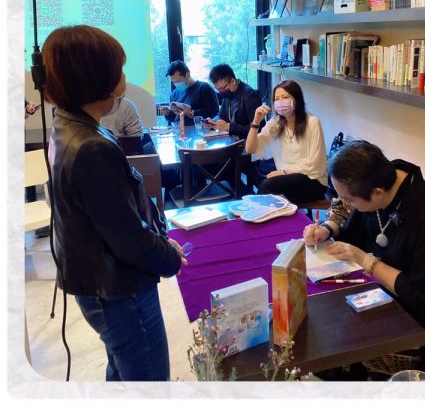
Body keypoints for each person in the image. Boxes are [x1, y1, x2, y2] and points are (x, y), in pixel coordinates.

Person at [41, 25, 187, 381]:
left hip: (99, 282)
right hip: (119, 289)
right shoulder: (90, 147)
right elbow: (128, 238)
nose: (124, 79)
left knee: (123, 373)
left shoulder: (69, 127)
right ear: (95, 79)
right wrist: (168, 256)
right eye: (118, 70)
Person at [301, 140, 425, 376]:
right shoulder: (381, 178)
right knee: (322, 328)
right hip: (384, 294)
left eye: (350, 200)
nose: (346, 204)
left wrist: (368, 262)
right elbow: (348, 213)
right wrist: (327, 228)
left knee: (333, 346)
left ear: (377, 193)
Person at [246, 79, 328, 204]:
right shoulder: (275, 124)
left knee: (269, 186)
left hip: (313, 181)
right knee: (270, 191)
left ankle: (253, 210)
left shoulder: (312, 122)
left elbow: (315, 164)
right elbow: (250, 149)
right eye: (276, 99)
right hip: (286, 179)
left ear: (296, 99)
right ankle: (258, 211)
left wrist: (284, 172)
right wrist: (255, 122)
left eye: (285, 97)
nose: (280, 102)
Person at [207, 63, 263, 138]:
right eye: (218, 89)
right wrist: (212, 122)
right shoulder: (227, 94)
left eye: (222, 88)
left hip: (248, 141)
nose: (221, 92)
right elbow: (221, 116)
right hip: (233, 139)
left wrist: (229, 127)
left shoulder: (250, 96)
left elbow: (258, 128)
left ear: (233, 81)